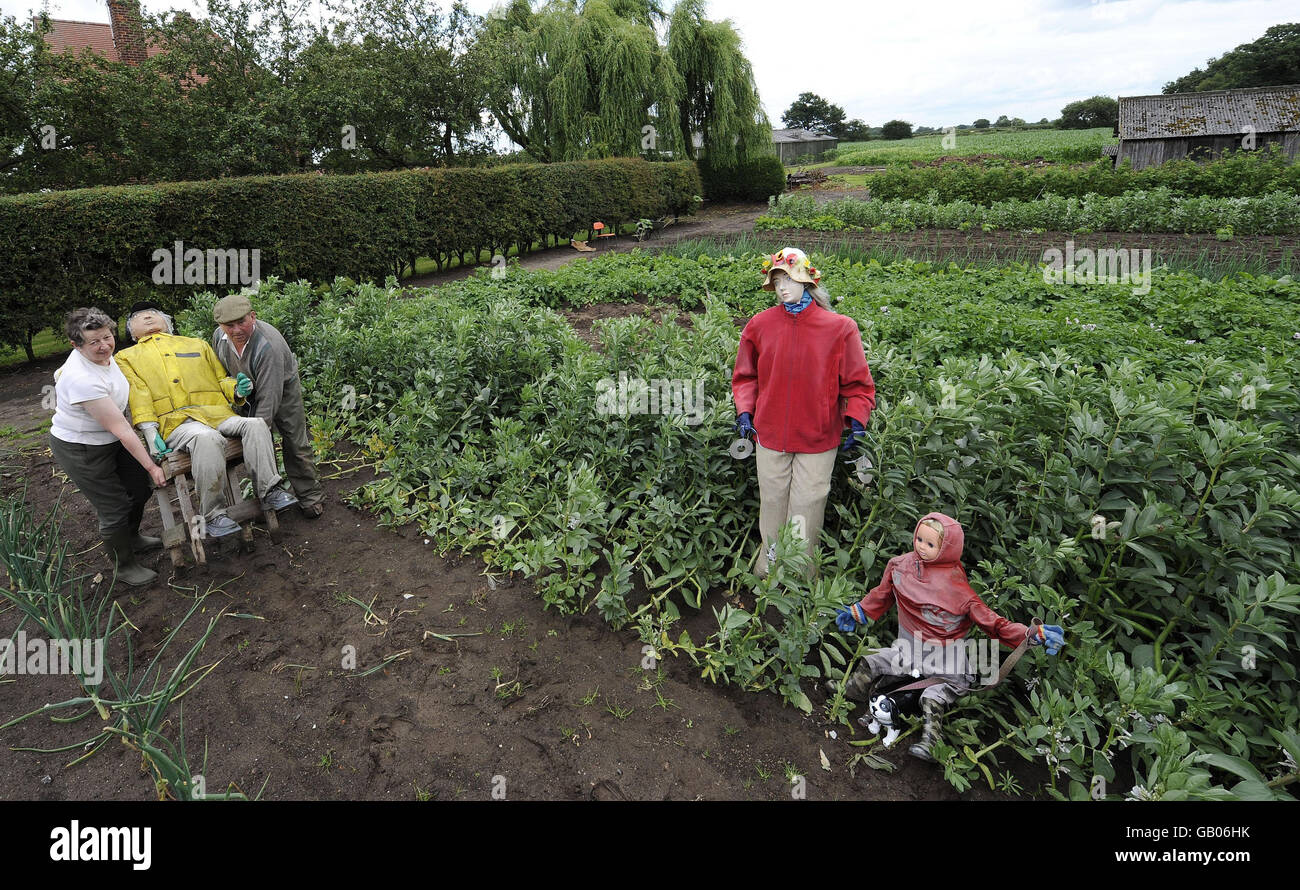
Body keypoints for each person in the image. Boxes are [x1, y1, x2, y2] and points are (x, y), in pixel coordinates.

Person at [832, 512, 1066, 762]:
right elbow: (882, 594)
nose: (922, 547)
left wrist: (1030, 633)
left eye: (931, 544)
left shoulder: (958, 590)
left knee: (932, 698)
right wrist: (859, 612)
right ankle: (850, 692)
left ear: (947, 548)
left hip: (943, 665)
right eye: (920, 539)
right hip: (907, 653)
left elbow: (994, 624)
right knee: (872, 661)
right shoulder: (900, 566)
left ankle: (931, 742)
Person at [731, 247, 876, 577]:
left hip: (818, 438)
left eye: (788, 279)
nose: (782, 287)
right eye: (776, 280)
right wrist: (745, 411)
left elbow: (858, 384)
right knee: (771, 505)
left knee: (806, 509)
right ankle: (767, 573)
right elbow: (745, 376)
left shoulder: (840, 329)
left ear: (807, 281)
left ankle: (799, 577)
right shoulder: (759, 326)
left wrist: (856, 419)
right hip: (769, 435)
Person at [115, 302, 298, 540]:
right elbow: (138, 394)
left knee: (255, 424)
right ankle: (213, 514)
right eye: (139, 318)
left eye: (153, 314)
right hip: (178, 422)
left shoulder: (196, 344)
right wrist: (150, 432)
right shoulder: (126, 357)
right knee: (207, 438)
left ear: (168, 322)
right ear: (132, 331)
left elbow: (220, 378)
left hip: (217, 413)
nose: (147, 318)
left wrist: (237, 390)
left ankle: (269, 489)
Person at [48, 307, 168, 587]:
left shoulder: (101, 358)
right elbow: (122, 429)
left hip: (110, 439)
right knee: (114, 506)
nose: (104, 346)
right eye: (94, 342)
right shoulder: (81, 380)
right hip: (81, 448)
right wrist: (151, 464)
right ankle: (124, 565)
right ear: (76, 346)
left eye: (107, 337)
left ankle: (133, 537)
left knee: (139, 488)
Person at [210, 291, 324, 518]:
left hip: (281, 386)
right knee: (260, 442)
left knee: (294, 442)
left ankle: (309, 497)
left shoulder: (268, 345)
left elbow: (270, 399)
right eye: (228, 325)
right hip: (245, 391)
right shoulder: (218, 339)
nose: (236, 330)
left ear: (252, 316)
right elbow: (220, 374)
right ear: (221, 325)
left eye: (241, 322)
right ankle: (270, 494)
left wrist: (257, 433)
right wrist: (235, 391)